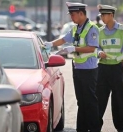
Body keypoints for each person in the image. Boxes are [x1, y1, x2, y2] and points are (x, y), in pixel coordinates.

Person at [44, 2, 100, 132]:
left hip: (89, 70)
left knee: (90, 101)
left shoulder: (92, 28)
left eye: (73, 14)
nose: (71, 17)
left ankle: (95, 129)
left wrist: (74, 48)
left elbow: (92, 47)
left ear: (81, 13)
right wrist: (50, 44)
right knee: (81, 101)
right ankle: (82, 128)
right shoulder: (76, 28)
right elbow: (64, 39)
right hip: (77, 68)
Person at [96, 4, 123, 132]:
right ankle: (96, 126)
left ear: (111, 15)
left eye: (104, 15)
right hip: (102, 68)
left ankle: (120, 127)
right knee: (100, 97)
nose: (102, 17)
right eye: (101, 15)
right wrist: (98, 53)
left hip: (116, 68)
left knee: (118, 97)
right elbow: (95, 47)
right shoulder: (99, 31)